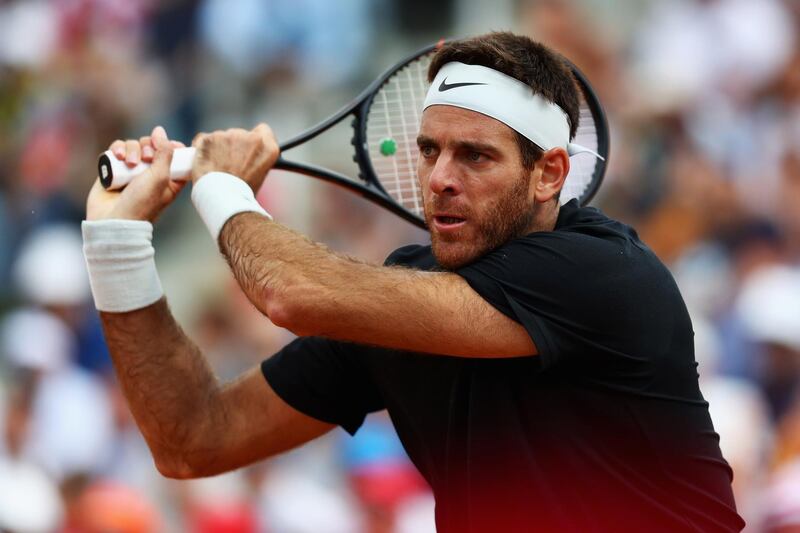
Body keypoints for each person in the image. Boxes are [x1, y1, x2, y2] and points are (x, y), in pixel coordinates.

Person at [81, 32, 745, 532]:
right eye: (429, 149)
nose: (439, 178)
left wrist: (224, 186)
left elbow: (290, 292)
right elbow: (193, 438)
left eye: (475, 154)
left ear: (549, 174)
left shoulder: (606, 274)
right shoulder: (401, 304)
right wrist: (116, 243)